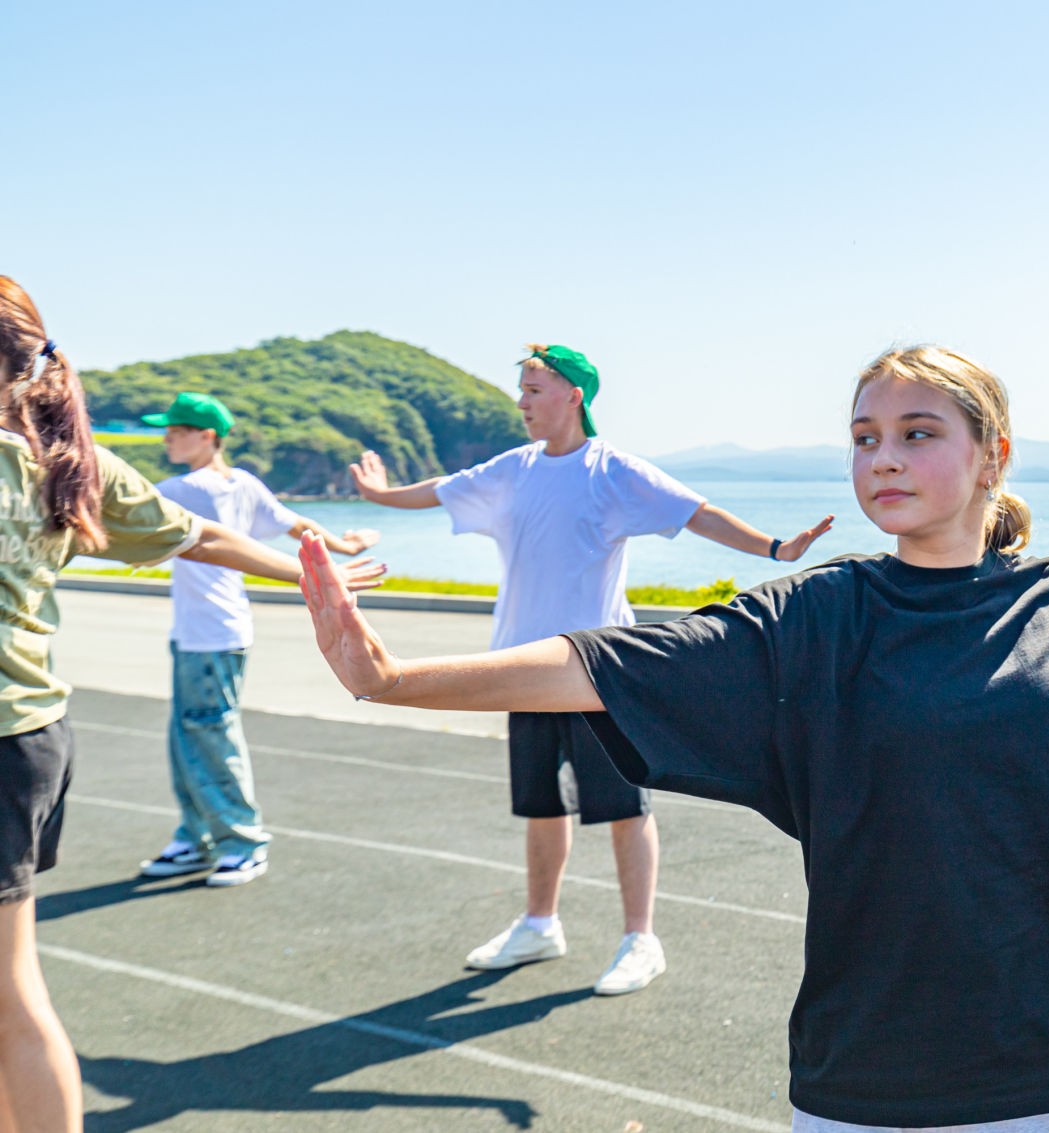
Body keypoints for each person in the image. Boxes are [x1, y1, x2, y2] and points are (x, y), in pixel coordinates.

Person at [301, 344, 1049, 1131]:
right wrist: (389, 679)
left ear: (993, 455)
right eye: (863, 437)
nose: (882, 457)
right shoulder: (815, 612)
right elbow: (599, 660)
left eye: (916, 432)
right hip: (862, 1064)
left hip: (1046, 1052)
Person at [0, 277, 383, 1132]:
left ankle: (232, 838)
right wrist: (310, 569)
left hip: (9, 736)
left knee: (9, 995)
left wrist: (313, 569)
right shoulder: (68, 461)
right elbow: (198, 536)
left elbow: (207, 533)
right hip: (29, 734)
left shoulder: (56, 462)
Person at [349, 343, 833, 996]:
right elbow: (439, 490)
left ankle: (641, 939)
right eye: (522, 390)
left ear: (573, 395)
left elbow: (695, 513)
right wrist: (379, 495)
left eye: (534, 389)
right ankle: (539, 923)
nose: (522, 402)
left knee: (624, 807)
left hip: (596, 672)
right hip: (522, 667)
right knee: (541, 805)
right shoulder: (512, 468)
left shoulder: (611, 470)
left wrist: (774, 547)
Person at [134, 392, 380, 887]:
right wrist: (346, 545)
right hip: (211, 632)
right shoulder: (242, 483)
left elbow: (119, 512)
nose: (167, 439)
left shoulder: (185, 488)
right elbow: (297, 524)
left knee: (209, 735)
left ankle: (242, 843)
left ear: (207, 436)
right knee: (189, 737)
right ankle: (197, 836)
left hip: (209, 635)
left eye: (176, 431)